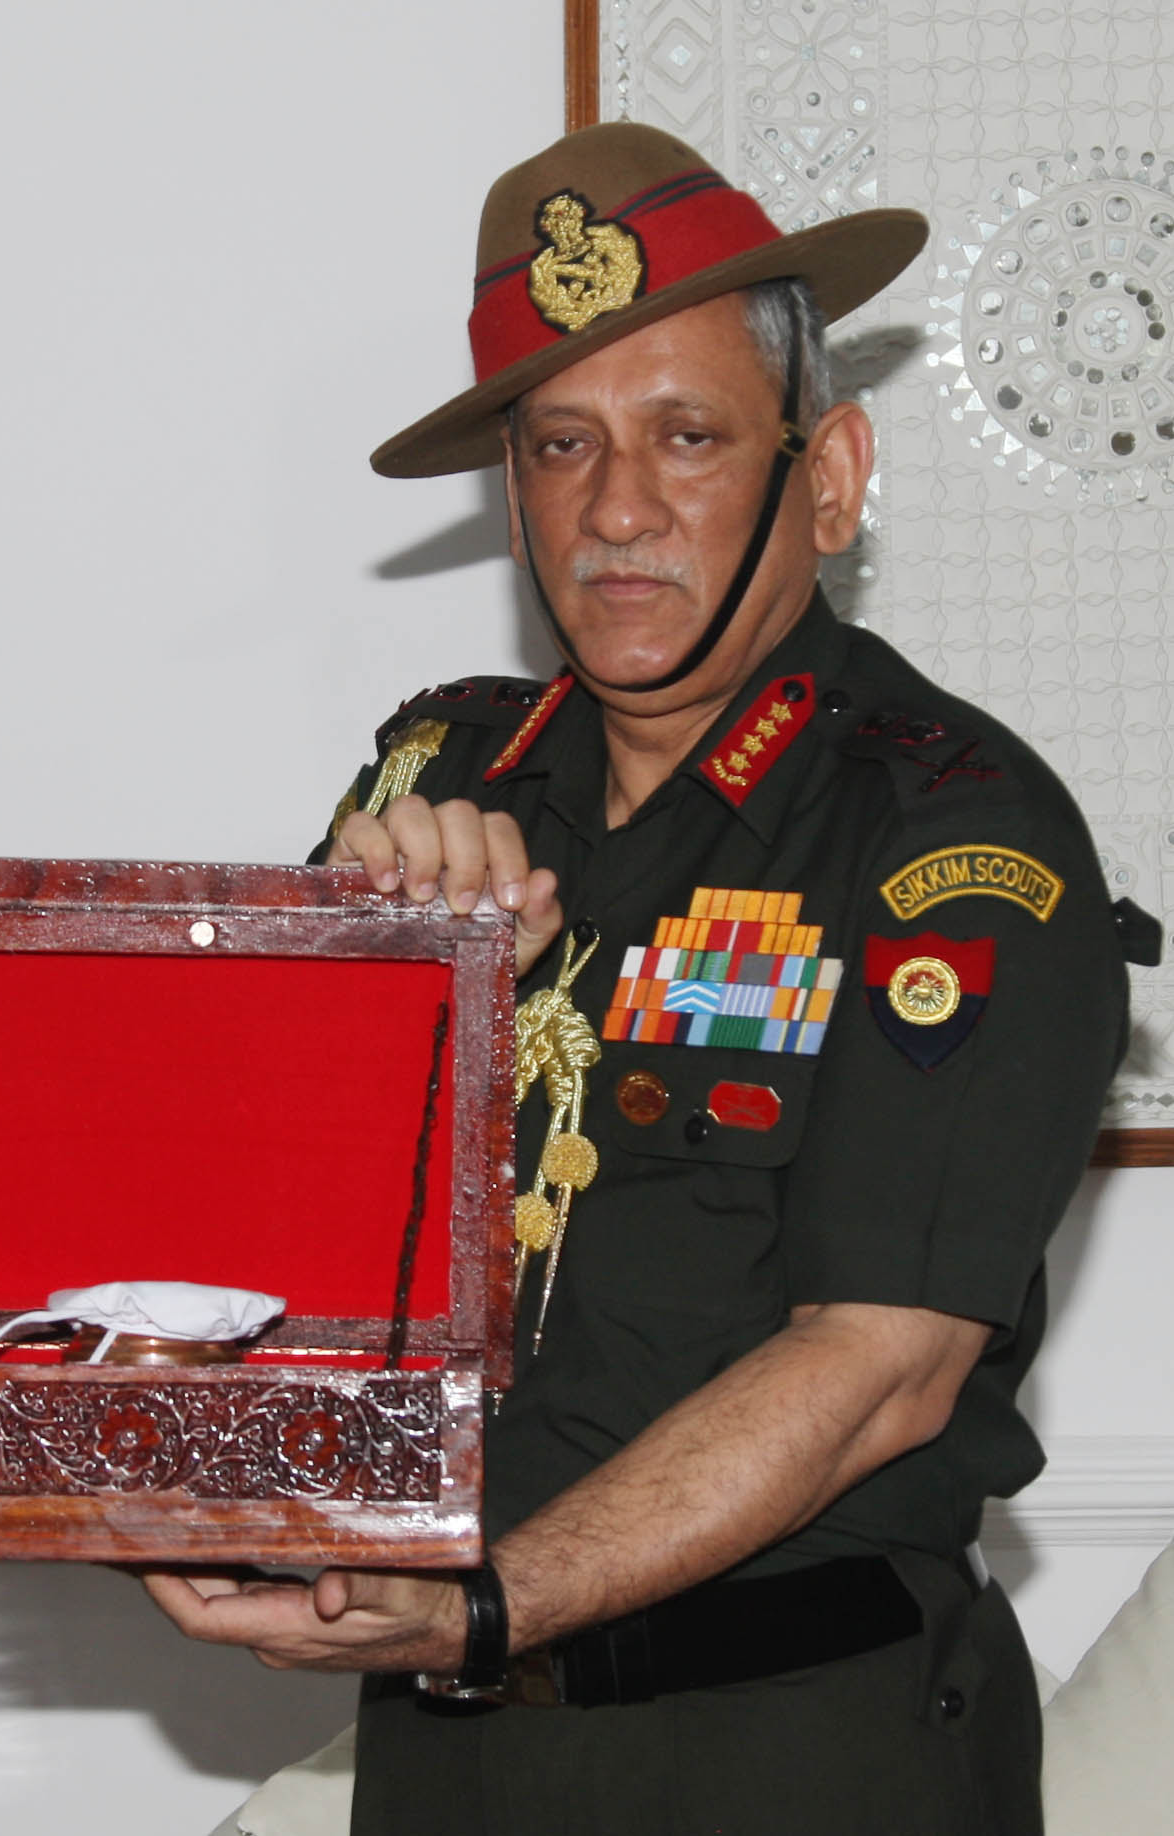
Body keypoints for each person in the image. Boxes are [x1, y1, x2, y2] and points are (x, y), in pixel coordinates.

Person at [142, 124, 1134, 1832]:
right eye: (560, 445)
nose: (617, 511)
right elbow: (252, 1260)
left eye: (687, 438)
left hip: (792, 1753)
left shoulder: (951, 839)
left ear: (825, 477)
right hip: (451, 1749)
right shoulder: (433, 793)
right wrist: (386, 1002)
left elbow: (879, 1369)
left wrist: (494, 1600)